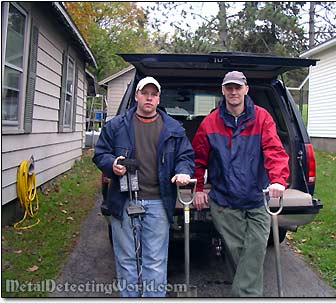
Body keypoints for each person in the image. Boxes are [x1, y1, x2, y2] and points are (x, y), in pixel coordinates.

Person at [93, 76, 194, 297]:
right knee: (126, 259)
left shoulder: (173, 128)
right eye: (144, 93)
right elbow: (100, 154)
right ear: (136, 96)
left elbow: (186, 156)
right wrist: (112, 165)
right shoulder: (117, 125)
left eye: (154, 94)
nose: (149, 97)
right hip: (124, 200)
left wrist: (183, 171)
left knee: (155, 261)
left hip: (159, 202)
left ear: (158, 98)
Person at [192, 71, 289, 297]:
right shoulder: (210, 122)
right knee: (237, 251)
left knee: (254, 250)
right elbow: (197, 159)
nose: (233, 92)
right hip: (224, 201)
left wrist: (277, 179)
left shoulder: (262, 118)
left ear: (246, 89)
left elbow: (274, 151)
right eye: (229, 87)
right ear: (223, 90)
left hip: (257, 199)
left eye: (238, 87)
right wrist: (197, 189)